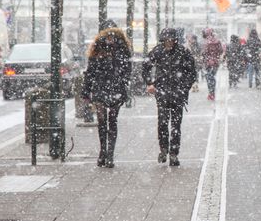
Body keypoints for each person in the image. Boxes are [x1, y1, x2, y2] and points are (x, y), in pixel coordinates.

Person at [142, 28, 197, 167]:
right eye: (166, 40)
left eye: (171, 40)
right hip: (162, 93)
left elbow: (192, 72)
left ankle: (174, 153)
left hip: (178, 94)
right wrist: (150, 83)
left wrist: (184, 87)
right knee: (162, 123)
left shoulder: (183, 52)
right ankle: (163, 149)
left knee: (176, 126)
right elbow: (145, 66)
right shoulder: (158, 51)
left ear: (175, 40)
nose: (169, 43)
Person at [81, 24, 131, 168]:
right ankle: (103, 151)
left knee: (112, 121)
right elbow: (90, 72)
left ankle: (109, 154)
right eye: (108, 36)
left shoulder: (122, 50)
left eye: (112, 36)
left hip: (115, 89)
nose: (110, 39)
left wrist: (122, 83)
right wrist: (86, 91)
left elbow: (127, 71)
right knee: (102, 122)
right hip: (101, 89)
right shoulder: (98, 49)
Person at [201, 28, 224, 101]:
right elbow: (221, 51)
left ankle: (211, 93)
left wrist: (205, 57)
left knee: (209, 78)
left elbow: (204, 53)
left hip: (208, 62)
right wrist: (216, 56)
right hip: (216, 62)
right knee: (212, 77)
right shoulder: (217, 40)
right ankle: (212, 93)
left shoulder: (206, 42)